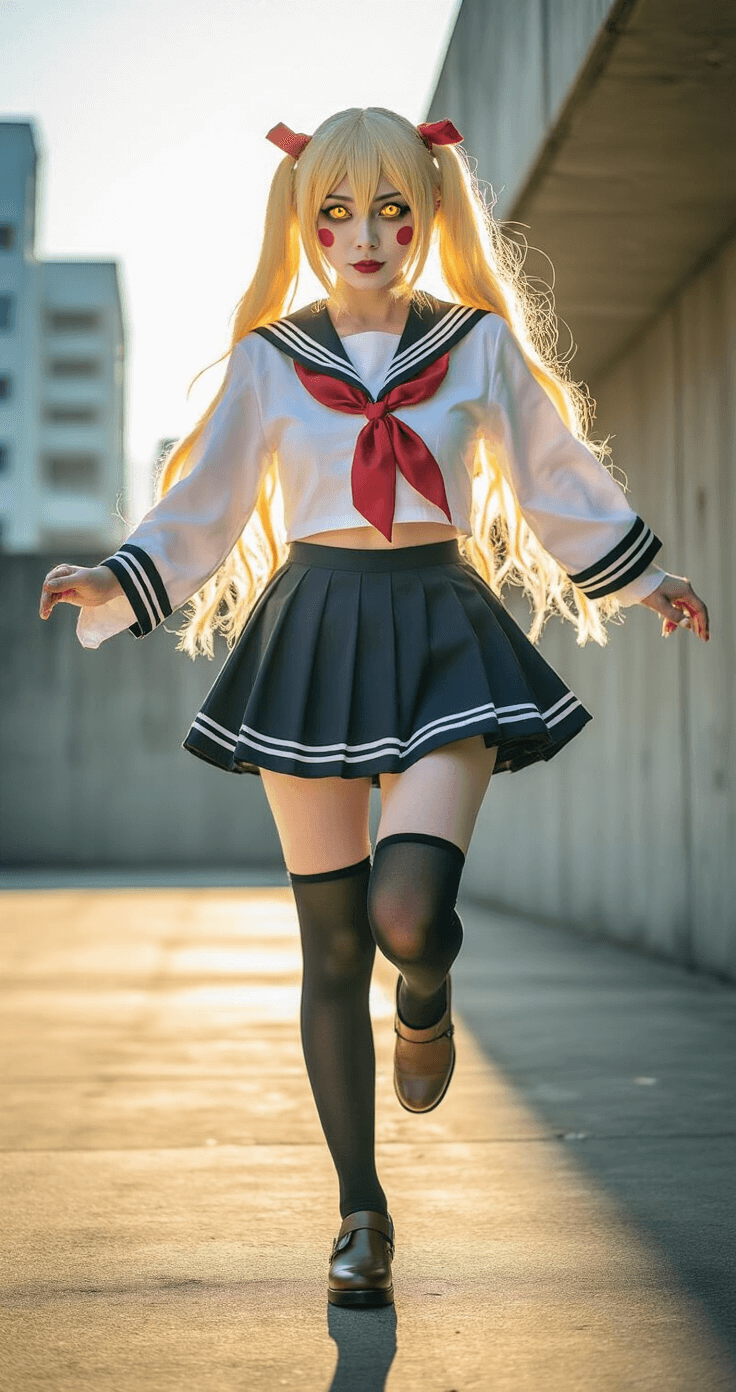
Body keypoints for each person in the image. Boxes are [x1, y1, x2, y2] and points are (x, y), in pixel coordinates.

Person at [39, 107, 709, 1310]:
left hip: (442, 629)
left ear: (428, 217)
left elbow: (555, 471)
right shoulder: (268, 359)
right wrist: (114, 577)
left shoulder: (475, 346)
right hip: (312, 629)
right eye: (337, 211)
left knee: (408, 914)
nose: (365, 234)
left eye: (393, 209)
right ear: (304, 222)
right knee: (330, 943)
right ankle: (360, 1214)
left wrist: (642, 574)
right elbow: (206, 501)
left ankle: (430, 991)